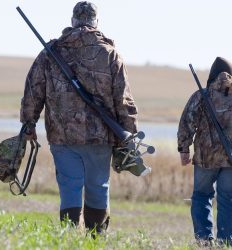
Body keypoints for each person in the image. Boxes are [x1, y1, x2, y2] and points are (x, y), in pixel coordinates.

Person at [20, 1, 138, 233]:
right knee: (98, 187)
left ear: (73, 20)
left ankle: (69, 238)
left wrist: (28, 123)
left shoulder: (51, 52)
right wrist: (130, 134)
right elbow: (123, 100)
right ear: (96, 22)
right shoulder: (110, 54)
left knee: (70, 187)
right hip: (100, 137)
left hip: (62, 136)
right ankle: (96, 240)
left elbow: (33, 90)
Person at [177, 57, 232, 247]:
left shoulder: (201, 96)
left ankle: (204, 241)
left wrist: (183, 150)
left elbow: (186, 123)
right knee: (227, 200)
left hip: (205, 159)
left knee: (201, 196)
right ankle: (226, 244)